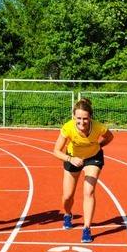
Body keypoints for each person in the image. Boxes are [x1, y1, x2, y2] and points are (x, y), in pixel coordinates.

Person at [52, 98, 114, 243]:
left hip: (93, 158)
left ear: (90, 117)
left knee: (89, 191)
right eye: (78, 118)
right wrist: (70, 159)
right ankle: (67, 214)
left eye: (85, 119)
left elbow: (110, 137)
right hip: (72, 158)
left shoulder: (98, 127)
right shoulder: (68, 128)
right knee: (68, 196)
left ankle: (86, 228)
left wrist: (98, 145)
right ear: (73, 117)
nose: (82, 122)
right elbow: (55, 151)